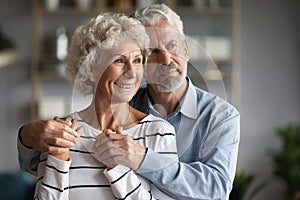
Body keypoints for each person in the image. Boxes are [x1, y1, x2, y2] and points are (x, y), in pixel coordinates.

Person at [18, 4, 240, 200]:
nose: (165, 60)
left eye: (172, 45)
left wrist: (137, 159)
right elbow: (35, 163)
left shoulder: (219, 116)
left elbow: (217, 190)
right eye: (152, 52)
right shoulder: (120, 99)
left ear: (186, 50)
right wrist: (26, 136)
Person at [31, 12, 178, 199]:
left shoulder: (159, 133)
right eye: (119, 61)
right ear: (91, 69)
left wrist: (118, 167)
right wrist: (58, 160)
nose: (132, 73)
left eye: (137, 61)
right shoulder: (61, 133)